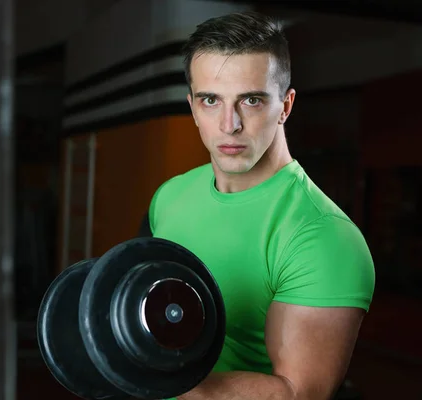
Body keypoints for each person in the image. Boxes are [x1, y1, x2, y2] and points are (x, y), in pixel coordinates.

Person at [147, 11, 376, 400]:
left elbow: (297, 391)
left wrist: (146, 375)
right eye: (210, 100)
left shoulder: (324, 237)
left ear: (285, 106)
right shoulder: (169, 196)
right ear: (192, 107)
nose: (229, 124)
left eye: (251, 100)